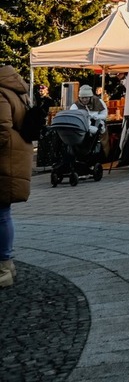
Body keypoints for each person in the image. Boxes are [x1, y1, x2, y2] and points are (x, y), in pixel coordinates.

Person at [0, 65, 34, 289]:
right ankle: (6, 264)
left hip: (4, 159)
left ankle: (3, 267)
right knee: (3, 212)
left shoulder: (0, 93)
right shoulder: (16, 89)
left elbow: (1, 129)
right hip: (14, 157)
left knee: (1, 212)